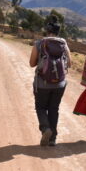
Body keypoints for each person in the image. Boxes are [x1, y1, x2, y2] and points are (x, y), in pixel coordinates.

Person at [29, 15, 71, 146]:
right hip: (59, 84)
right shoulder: (63, 44)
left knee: (40, 107)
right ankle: (53, 139)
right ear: (58, 32)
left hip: (42, 83)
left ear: (47, 31)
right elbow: (69, 63)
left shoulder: (40, 43)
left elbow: (31, 63)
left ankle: (45, 129)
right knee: (54, 109)